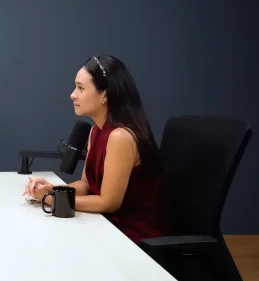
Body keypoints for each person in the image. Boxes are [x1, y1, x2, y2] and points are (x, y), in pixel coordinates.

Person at [23, 55, 171, 243]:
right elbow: (85, 186)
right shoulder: (95, 131)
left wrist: (52, 199)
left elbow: (108, 203)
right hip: (106, 224)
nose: (73, 95)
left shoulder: (120, 137)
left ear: (105, 95)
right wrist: (52, 190)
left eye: (81, 88)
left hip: (133, 237)